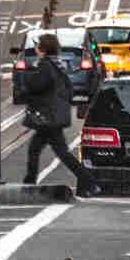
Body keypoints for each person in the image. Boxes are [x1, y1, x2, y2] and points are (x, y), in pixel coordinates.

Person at [20, 32, 101, 195]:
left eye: (38, 46)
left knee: (53, 152)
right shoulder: (57, 65)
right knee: (45, 150)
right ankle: (88, 183)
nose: (35, 48)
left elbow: (36, 86)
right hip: (54, 116)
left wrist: (25, 77)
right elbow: (67, 90)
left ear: (43, 49)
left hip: (48, 118)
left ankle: (89, 182)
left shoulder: (45, 65)